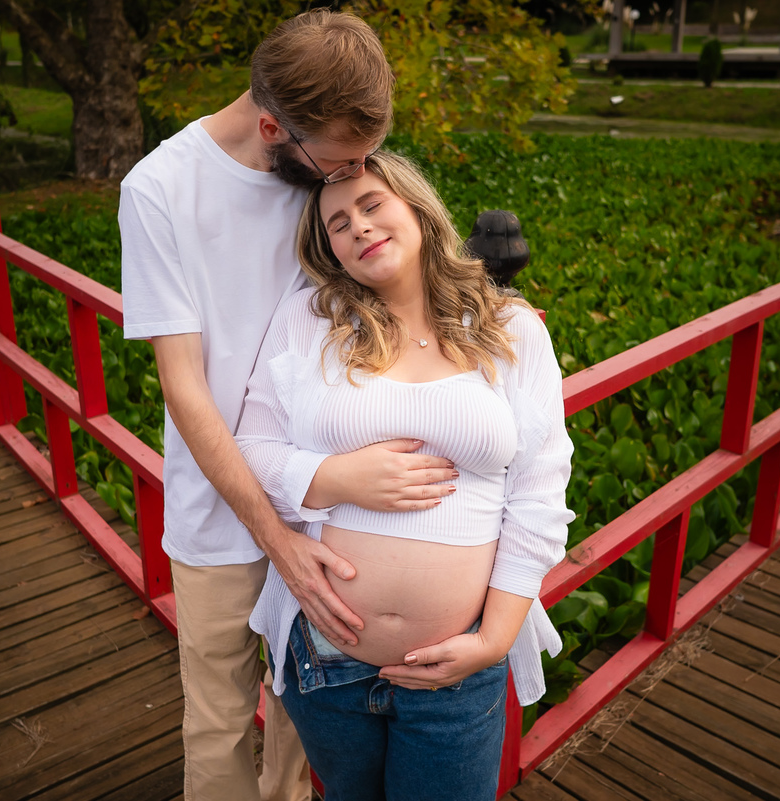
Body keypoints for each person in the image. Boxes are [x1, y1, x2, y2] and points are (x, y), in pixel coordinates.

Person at [119, 11, 458, 801]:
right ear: (274, 127)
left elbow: (391, 283)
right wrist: (275, 540)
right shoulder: (160, 191)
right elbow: (185, 387)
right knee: (218, 723)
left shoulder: (323, 171)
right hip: (219, 514)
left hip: (332, 504)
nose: (358, 173)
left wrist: (481, 327)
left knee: (304, 721)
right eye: (344, 160)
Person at [236, 151, 575, 800]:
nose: (358, 227)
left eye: (372, 206)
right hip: (327, 657)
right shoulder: (309, 321)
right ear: (330, 250)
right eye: (338, 224)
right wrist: (335, 478)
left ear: (418, 209)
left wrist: (494, 638)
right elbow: (251, 446)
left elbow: (538, 490)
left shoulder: (509, 328)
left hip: (457, 662)